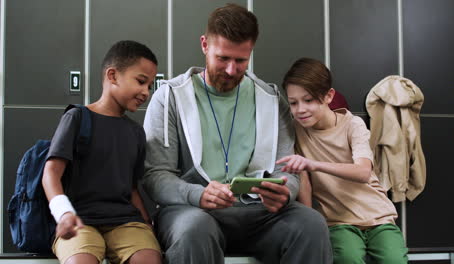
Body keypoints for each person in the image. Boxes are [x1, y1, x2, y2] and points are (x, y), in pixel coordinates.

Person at [142, 4, 332, 264]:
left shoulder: (271, 99)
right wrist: (196, 194)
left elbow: (287, 169)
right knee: (194, 230)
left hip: (258, 212)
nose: (232, 70)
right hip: (193, 210)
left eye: (241, 60)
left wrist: (286, 192)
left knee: (311, 224)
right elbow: (155, 176)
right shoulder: (170, 98)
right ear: (204, 45)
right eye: (223, 58)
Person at [277, 57, 408, 264]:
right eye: (293, 103)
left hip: (378, 217)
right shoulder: (295, 130)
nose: (300, 109)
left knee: (394, 260)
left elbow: (363, 172)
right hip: (338, 223)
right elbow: (304, 180)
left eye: (308, 100)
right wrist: (311, 221)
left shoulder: (353, 125)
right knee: (348, 258)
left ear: (328, 96)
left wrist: (314, 164)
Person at [42, 40, 162, 264]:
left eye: (150, 86)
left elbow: (132, 187)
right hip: (80, 221)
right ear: (113, 75)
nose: (146, 92)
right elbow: (51, 173)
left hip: (126, 222)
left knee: (148, 259)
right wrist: (63, 213)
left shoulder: (135, 131)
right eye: (141, 81)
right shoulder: (76, 118)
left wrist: (146, 223)